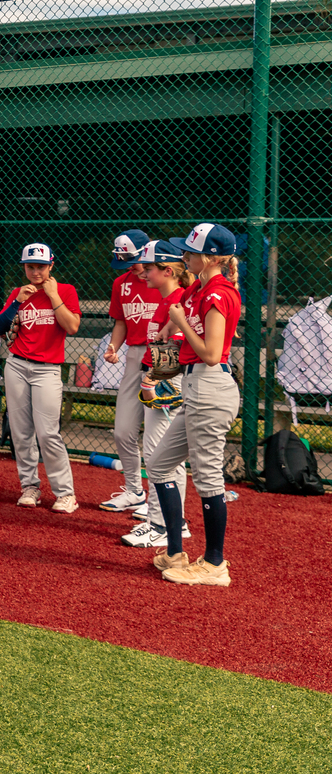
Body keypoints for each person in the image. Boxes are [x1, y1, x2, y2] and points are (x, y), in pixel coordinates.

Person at [148, 223, 242, 586]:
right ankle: (175, 551)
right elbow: (185, 347)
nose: (184, 256)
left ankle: (215, 564)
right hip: (193, 386)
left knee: (207, 477)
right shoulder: (196, 290)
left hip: (210, 386)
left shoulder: (218, 292)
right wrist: (158, 366)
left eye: (190, 251)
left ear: (211, 257)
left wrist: (180, 324)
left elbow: (210, 353)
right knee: (158, 465)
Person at [0, 243, 82, 512]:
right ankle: (29, 486)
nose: (35, 272)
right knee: (21, 432)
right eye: (30, 266)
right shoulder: (18, 293)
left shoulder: (65, 290)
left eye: (41, 266)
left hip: (48, 368)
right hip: (17, 364)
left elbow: (73, 326)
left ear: (51, 265)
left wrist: (54, 297)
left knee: (48, 433)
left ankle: (66, 493)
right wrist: (17, 302)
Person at [120, 240, 192, 549]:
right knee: (163, 455)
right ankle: (172, 522)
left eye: (149, 268)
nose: (144, 273)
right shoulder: (168, 298)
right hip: (161, 379)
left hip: (166, 382)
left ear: (168, 270)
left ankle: (163, 524)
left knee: (159, 454)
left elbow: (173, 356)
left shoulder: (176, 298)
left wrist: (150, 380)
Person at [99, 229, 157, 513]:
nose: (132, 268)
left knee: (157, 435)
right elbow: (121, 321)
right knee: (123, 431)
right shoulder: (121, 283)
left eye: (133, 260)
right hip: (134, 356)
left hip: (162, 360)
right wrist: (113, 346)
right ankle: (135, 491)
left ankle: (159, 501)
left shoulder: (163, 278)